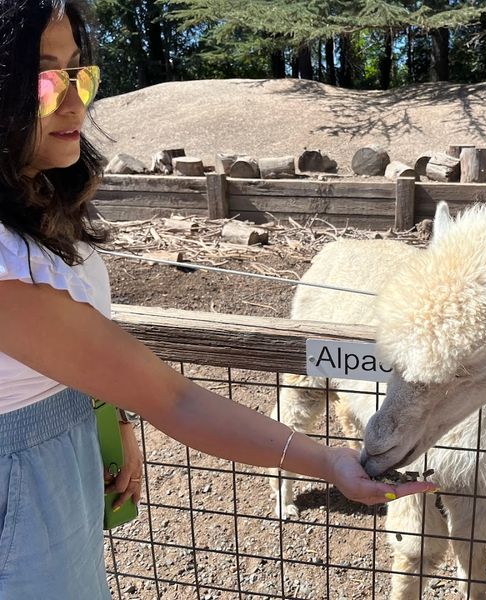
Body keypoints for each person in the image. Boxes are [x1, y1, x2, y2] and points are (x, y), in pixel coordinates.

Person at [0, 2, 435, 598]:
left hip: (59, 463)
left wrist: (111, 418)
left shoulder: (36, 198)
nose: (75, 101)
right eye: (46, 78)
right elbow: (175, 399)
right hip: (22, 494)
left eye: (80, 72)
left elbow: (65, 357)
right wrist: (327, 462)